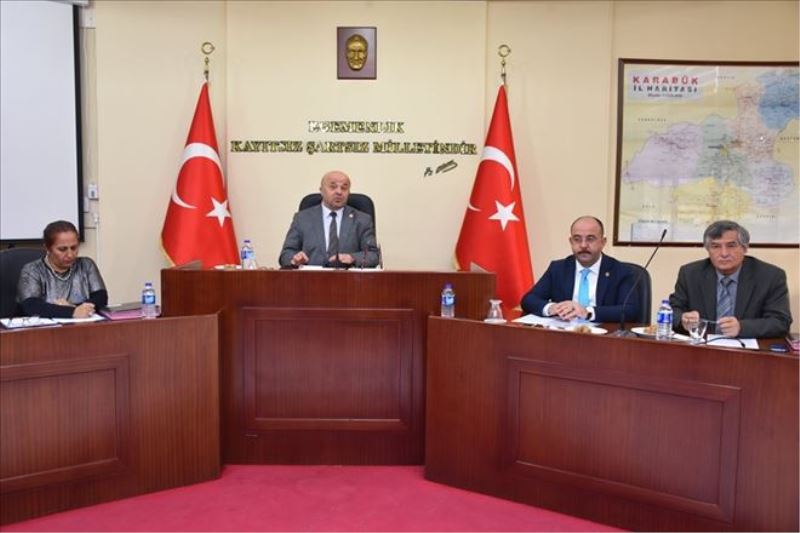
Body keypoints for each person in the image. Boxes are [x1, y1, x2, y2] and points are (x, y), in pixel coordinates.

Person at [670, 220, 792, 338]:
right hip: (703, 346)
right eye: (715, 246)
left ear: (745, 248)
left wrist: (742, 327)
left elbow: (781, 322)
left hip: (747, 348)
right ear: (708, 250)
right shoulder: (690, 274)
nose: (724, 253)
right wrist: (683, 320)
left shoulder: (771, 276)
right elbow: (672, 311)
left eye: (731, 246)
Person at [520, 216, 639, 322]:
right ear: (571, 242)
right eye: (577, 239)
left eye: (590, 239)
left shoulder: (622, 271)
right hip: (564, 333)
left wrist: (587, 312)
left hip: (603, 335)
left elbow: (630, 310)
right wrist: (552, 308)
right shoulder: (558, 268)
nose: (583, 245)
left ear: (603, 242)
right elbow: (528, 300)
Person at [279, 171, 379, 268]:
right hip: (311, 277)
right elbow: (286, 254)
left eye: (344, 188)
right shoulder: (302, 218)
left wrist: (352, 258)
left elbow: (373, 255)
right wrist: (294, 259)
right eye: (333, 187)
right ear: (321, 190)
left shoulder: (362, 220)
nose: (339, 192)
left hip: (347, 277)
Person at [17, 220, 108, 318]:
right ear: (47, 248)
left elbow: (101, 297)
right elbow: (31, 306)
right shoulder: (32, 270)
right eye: (62, 249)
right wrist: (72, 311)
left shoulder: (86, 265)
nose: (70, 255)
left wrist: (74, 308)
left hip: (82, 324)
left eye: (74, 248)